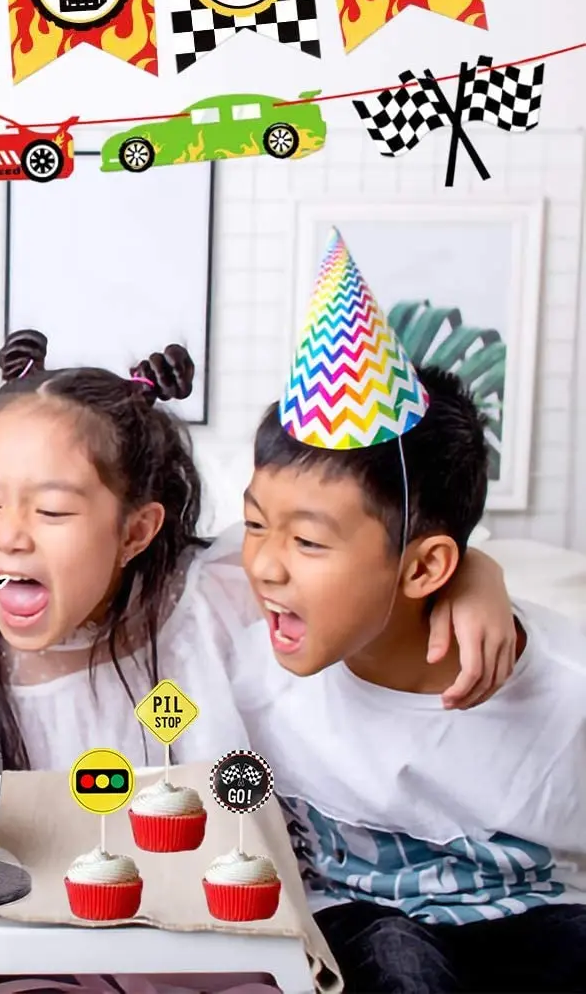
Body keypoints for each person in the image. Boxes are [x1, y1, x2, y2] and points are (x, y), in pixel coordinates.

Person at [0, 331, 520, 773]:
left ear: (136, 532)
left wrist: (475, 576)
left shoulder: (212, 598)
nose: (10, 536)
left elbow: (369, 567)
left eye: (52, 511)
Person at [237, 364, 586, 993]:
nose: (264, 566)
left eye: (308, 542)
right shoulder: (239, 664)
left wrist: (477, 571)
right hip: (361, 927)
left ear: (425, 568)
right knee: (400, 959)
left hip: (532, 922)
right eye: (255, 524)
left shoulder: (567, 692)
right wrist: (477, 568)